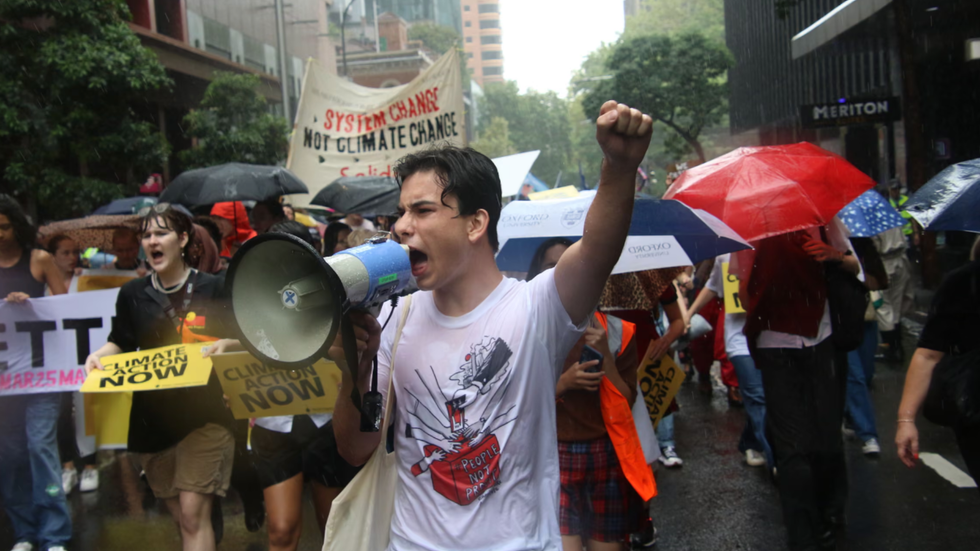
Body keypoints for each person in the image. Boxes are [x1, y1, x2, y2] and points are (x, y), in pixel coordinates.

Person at [332, 102, 652, 550]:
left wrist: (618, 168)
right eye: (401, 212)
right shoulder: (392, 318)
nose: (402, 227)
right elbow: (355, 448)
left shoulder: (536, 308)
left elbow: (598, 248)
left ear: (476, 223)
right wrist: (355, 365)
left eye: (422, 211)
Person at [84, 204, 235, 551]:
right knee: (184, 519)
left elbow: (243, 337)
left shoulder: (215, 287)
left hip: (206, 416)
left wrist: (229, 343)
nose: (151, 241)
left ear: (182, 239)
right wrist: (98, 356)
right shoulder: (132, 294)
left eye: (161, 233)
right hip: (151, 423)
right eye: (146, 235)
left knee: (193, 513)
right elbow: (120, 341)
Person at [235, 219, 362, 551]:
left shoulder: (336, 297)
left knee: (333, 528)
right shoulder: (247, 297)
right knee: (281, 530)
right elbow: (246, 350)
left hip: (326, 425)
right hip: (273, 424)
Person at [735, 218, 860, 551]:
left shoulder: (821, 218)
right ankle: (806, 531)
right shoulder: (752, 229)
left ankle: (825, 517)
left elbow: (854, 264)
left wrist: (832, 255)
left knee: (824, 439)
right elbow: (745, 292)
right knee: (794, 448)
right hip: (777, 347)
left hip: (821, 342)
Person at [528, 238, 642, 551]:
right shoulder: (529, 330)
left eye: (572, 264)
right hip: (554, 454)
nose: (564, 273)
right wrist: (563, 383)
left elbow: (627, 401)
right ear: (538, 276)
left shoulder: (618, 331)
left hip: (606, 453)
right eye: (553, 266)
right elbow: (516, 405)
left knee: (607, 545)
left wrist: (606, 355)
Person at [0, 194, 71, 551]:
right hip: (5, 381)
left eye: (4, 226)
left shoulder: (39, 259)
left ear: (17, 225)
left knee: (41, 447)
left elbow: (66, 308)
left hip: (43, 374)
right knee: (10, 455)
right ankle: (25, 532)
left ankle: (54, 532)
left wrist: (32, 306)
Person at [895, 245, 980, 488]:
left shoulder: (962, 281)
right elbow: (928, 355)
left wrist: (906, 421)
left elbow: (928, 355)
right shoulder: (964, 283)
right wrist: (906, 420)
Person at [689, 253, 774, 470]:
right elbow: (713, 286)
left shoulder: (773, 249)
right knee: (757, 395)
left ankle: (751, 442)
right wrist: (688, 314)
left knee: (767, 395)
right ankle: (778, 459)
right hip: (739, 337)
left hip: (772, 336)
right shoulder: (726, 255)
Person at [845, 238, 889, 456]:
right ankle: (868, 434)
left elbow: (879, 282)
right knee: (855, 377)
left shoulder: (862, 245)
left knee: (866, 372)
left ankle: (851, 416)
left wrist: (855, 268)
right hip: (840, 322)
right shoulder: (823, 244)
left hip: (865, 319)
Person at [873, 225, 914, 363]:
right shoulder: (888, 214)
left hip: (883, 262)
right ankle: (897, 348)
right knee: (895, 307)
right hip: (899, 259)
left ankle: (892, 349)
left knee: (883, 307)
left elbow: (874, 245)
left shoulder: (866, 219)